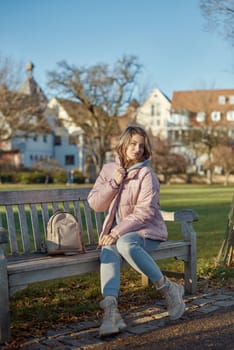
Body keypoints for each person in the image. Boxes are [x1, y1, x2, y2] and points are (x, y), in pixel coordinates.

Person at [87, 125, 185, 337]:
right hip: (119, 233)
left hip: (147, 232)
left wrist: (116, 232)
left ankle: (168, 288)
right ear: (123, 144)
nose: (138, 148)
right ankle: (111, 312)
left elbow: (145, 212)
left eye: (141, 145)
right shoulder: (108, 170)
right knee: (110, 247)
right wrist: (115, 181)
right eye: (133, 144)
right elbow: (96, 204)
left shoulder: (146, 174)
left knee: (122, 242)